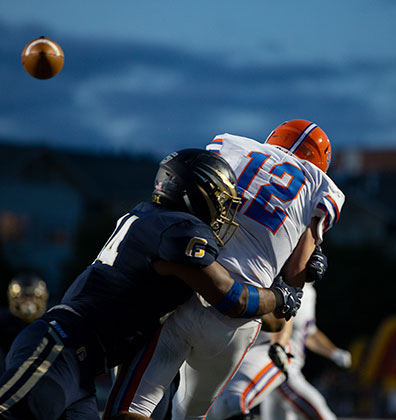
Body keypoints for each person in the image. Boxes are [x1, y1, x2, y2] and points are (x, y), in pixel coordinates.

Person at [0, 149, 298, 420]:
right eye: (220, 199)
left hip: (81, 365)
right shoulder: (178, 230)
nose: (223, 211)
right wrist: (281, 295)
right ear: (195, 192)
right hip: (61, 346)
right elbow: (233, 298)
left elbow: (255, 315)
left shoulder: (153, 220)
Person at [107, 119, 345, 419]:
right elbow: (288, 295)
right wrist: (300, 270)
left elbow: (189, 192)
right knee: (191, 414)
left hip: (187, 285)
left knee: (135, 406)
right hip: (236, 324)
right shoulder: (324, 187)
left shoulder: (231, 144)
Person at [205, 247, 329, 420]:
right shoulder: (261, 264)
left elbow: (285, 322)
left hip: (276, 356)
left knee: (228, 403)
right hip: (236, 349)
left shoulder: (305, 292)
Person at [260, 282, 352, 420]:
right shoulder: (279, 287)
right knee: (323, 415)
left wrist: (334, 352)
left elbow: (308, 333)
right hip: (279, 370)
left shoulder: (309, 292)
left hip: (290, 370)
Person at [0, 274, 49, 373]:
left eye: (32, 297)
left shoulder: (51, 320)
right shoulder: (4, 322)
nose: (28, 301)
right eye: (23, 297)